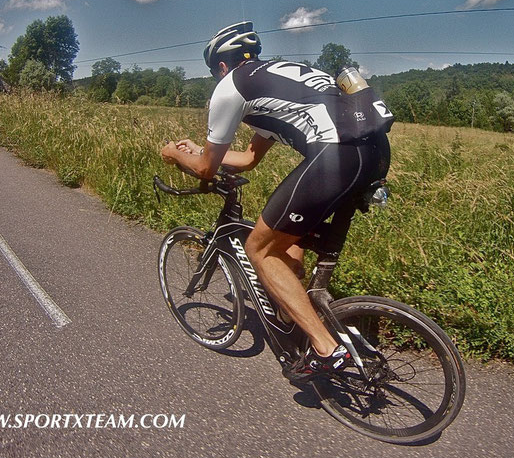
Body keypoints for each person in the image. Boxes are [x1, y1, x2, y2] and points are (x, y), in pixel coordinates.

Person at [161, 21, 392, 380]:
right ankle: (297, 312)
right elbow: (249, 158)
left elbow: (206, 170)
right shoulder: (277, 78)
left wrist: (176, 155)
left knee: (260, 250)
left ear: (221, 67)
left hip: (336, 156)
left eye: (213, 72)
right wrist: (200, 149)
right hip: (373, 152)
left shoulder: (230, 86)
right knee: (287, 246)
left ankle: (325, 349)